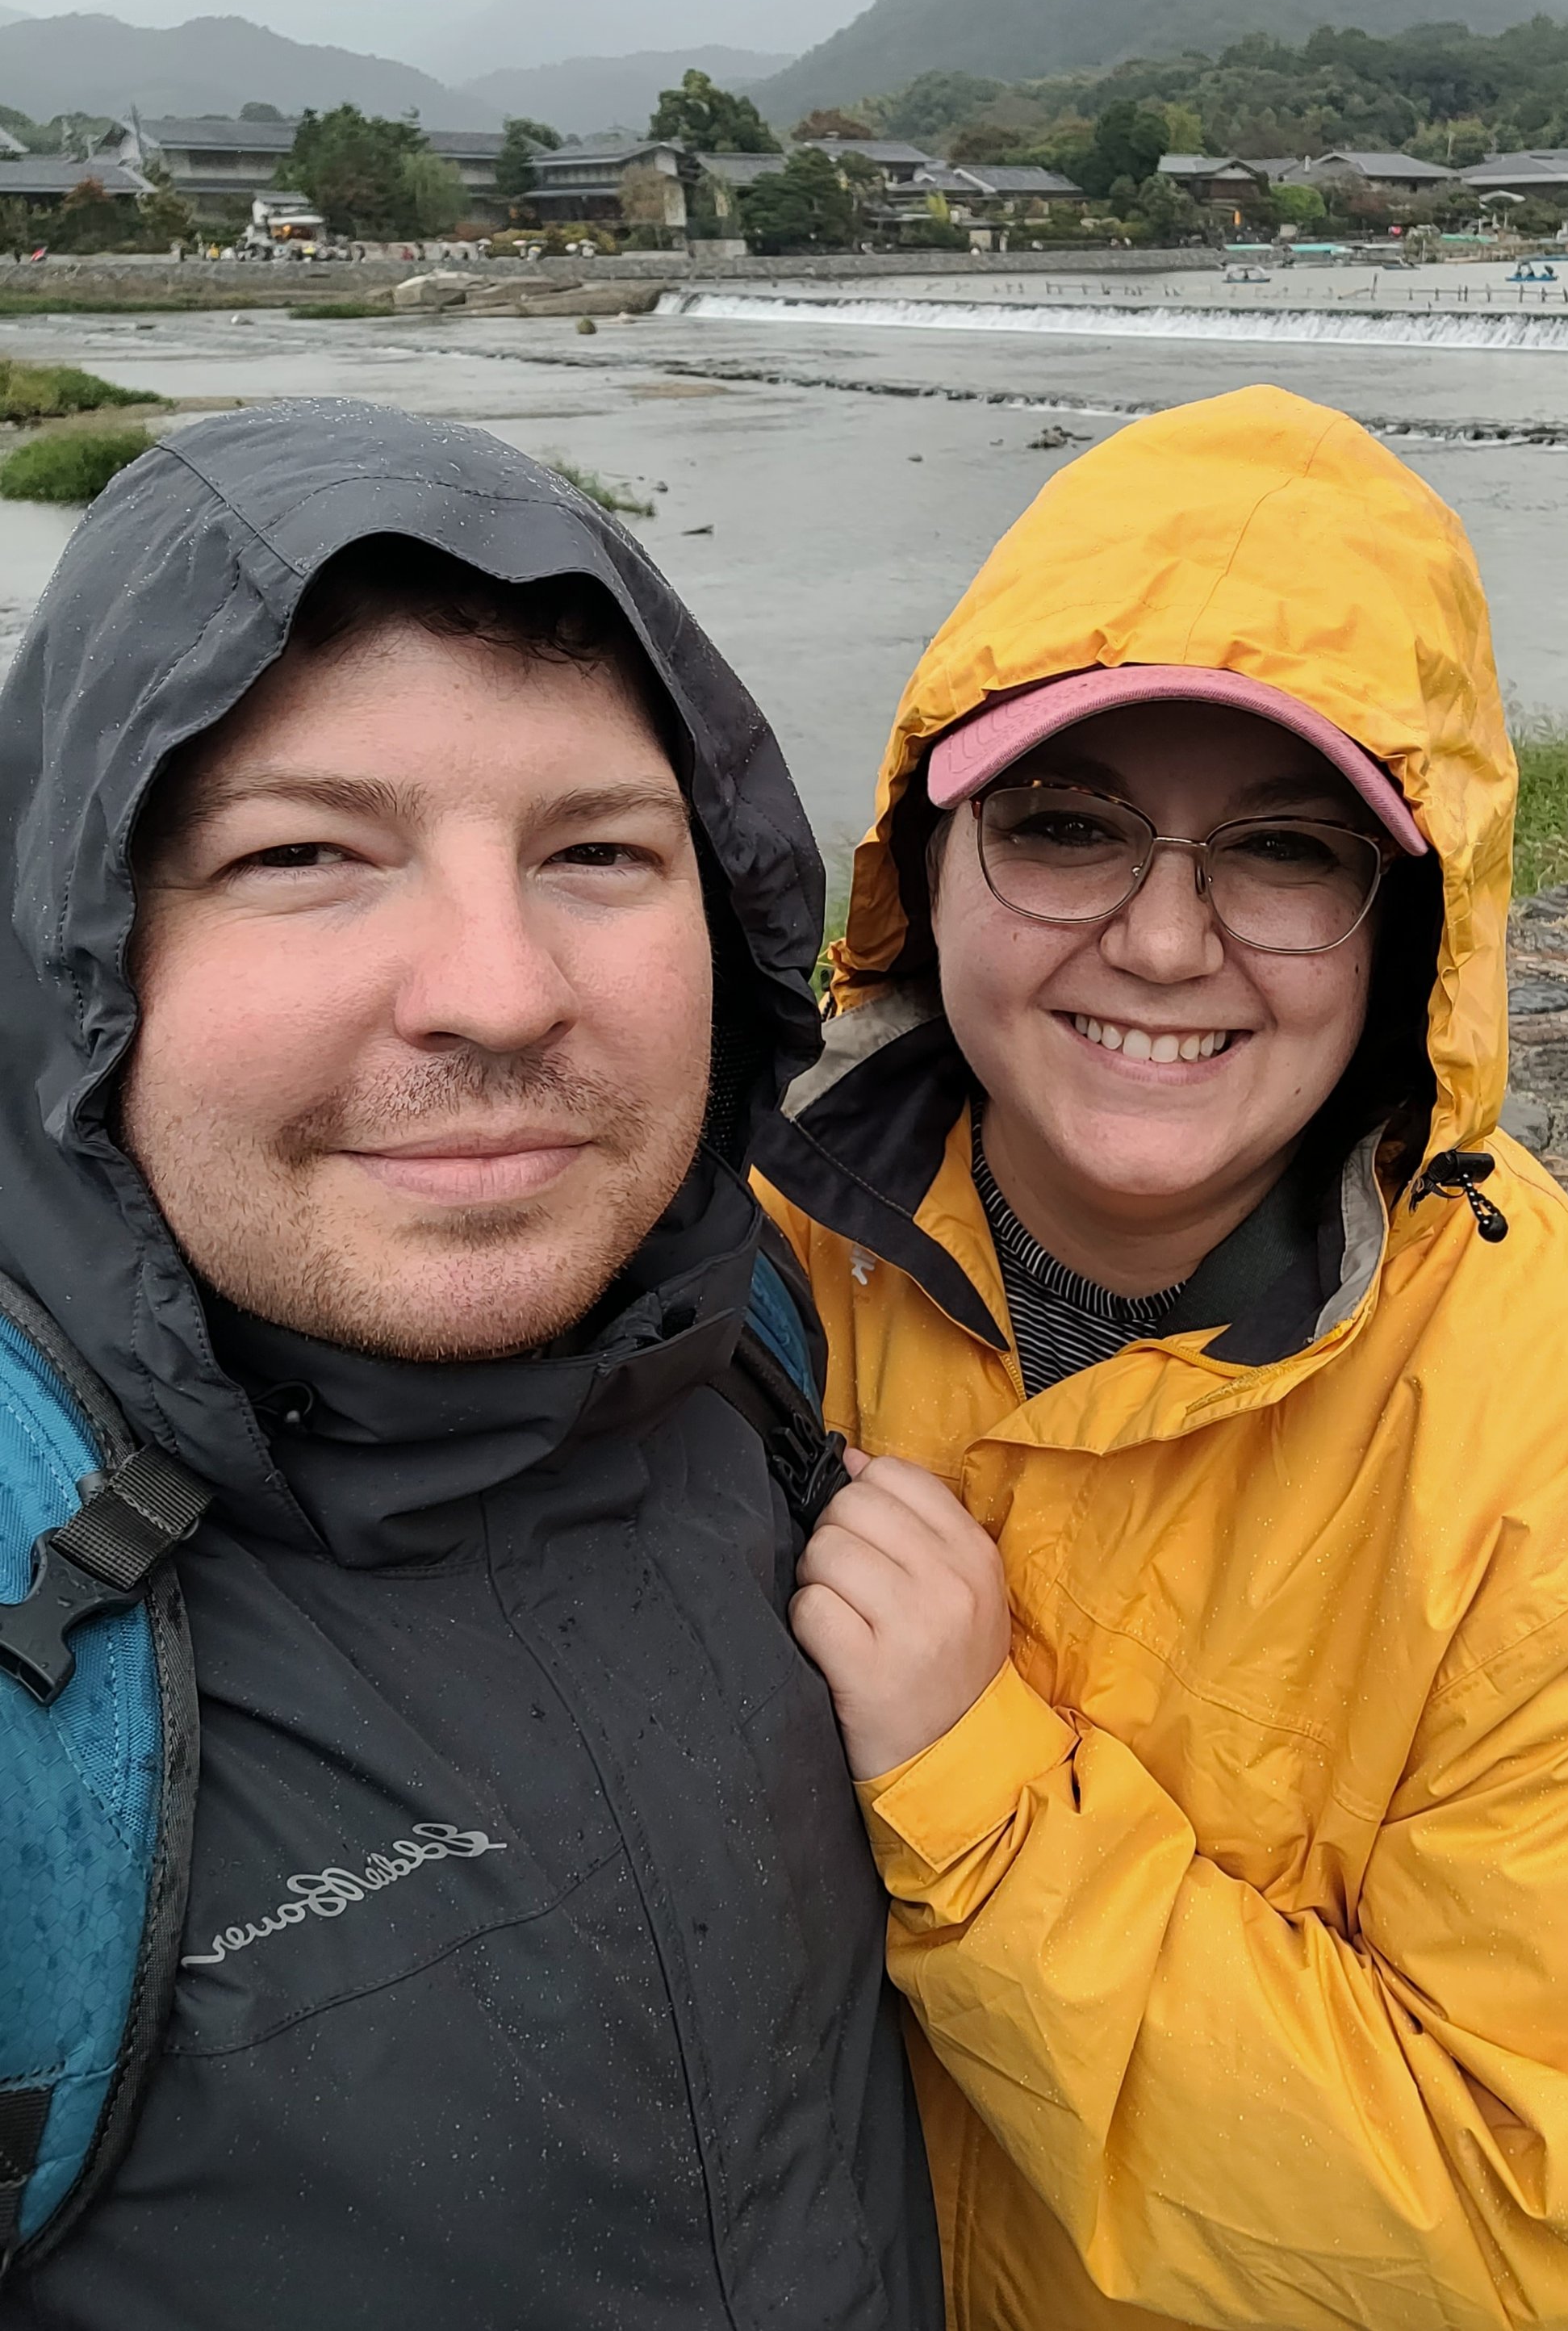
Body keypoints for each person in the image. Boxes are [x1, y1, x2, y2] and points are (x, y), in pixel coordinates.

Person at [756, 385, 1568, 2331]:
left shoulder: (1560, 1461)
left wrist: (980, 1800)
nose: (1158, 939)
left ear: (1409, 927)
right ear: (923, 859)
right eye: (1064, 825)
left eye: (1283, 851)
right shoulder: (729, 1254)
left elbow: (1522, 2228)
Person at [0, 403, 941, 2330]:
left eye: (599, 847)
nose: (500, 990)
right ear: (78, 945)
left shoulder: (761, 1360)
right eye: (306, 854)